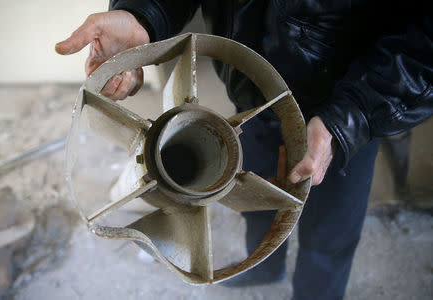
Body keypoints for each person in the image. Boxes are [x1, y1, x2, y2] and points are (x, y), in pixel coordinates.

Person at [56, 1, 432, 299]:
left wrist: (350, 119)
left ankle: (317, 294)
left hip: (340, 116)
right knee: (255, 202)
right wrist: (142, 13)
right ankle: (267, 268)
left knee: (330, 233)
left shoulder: (345, 118)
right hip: (254, 103)